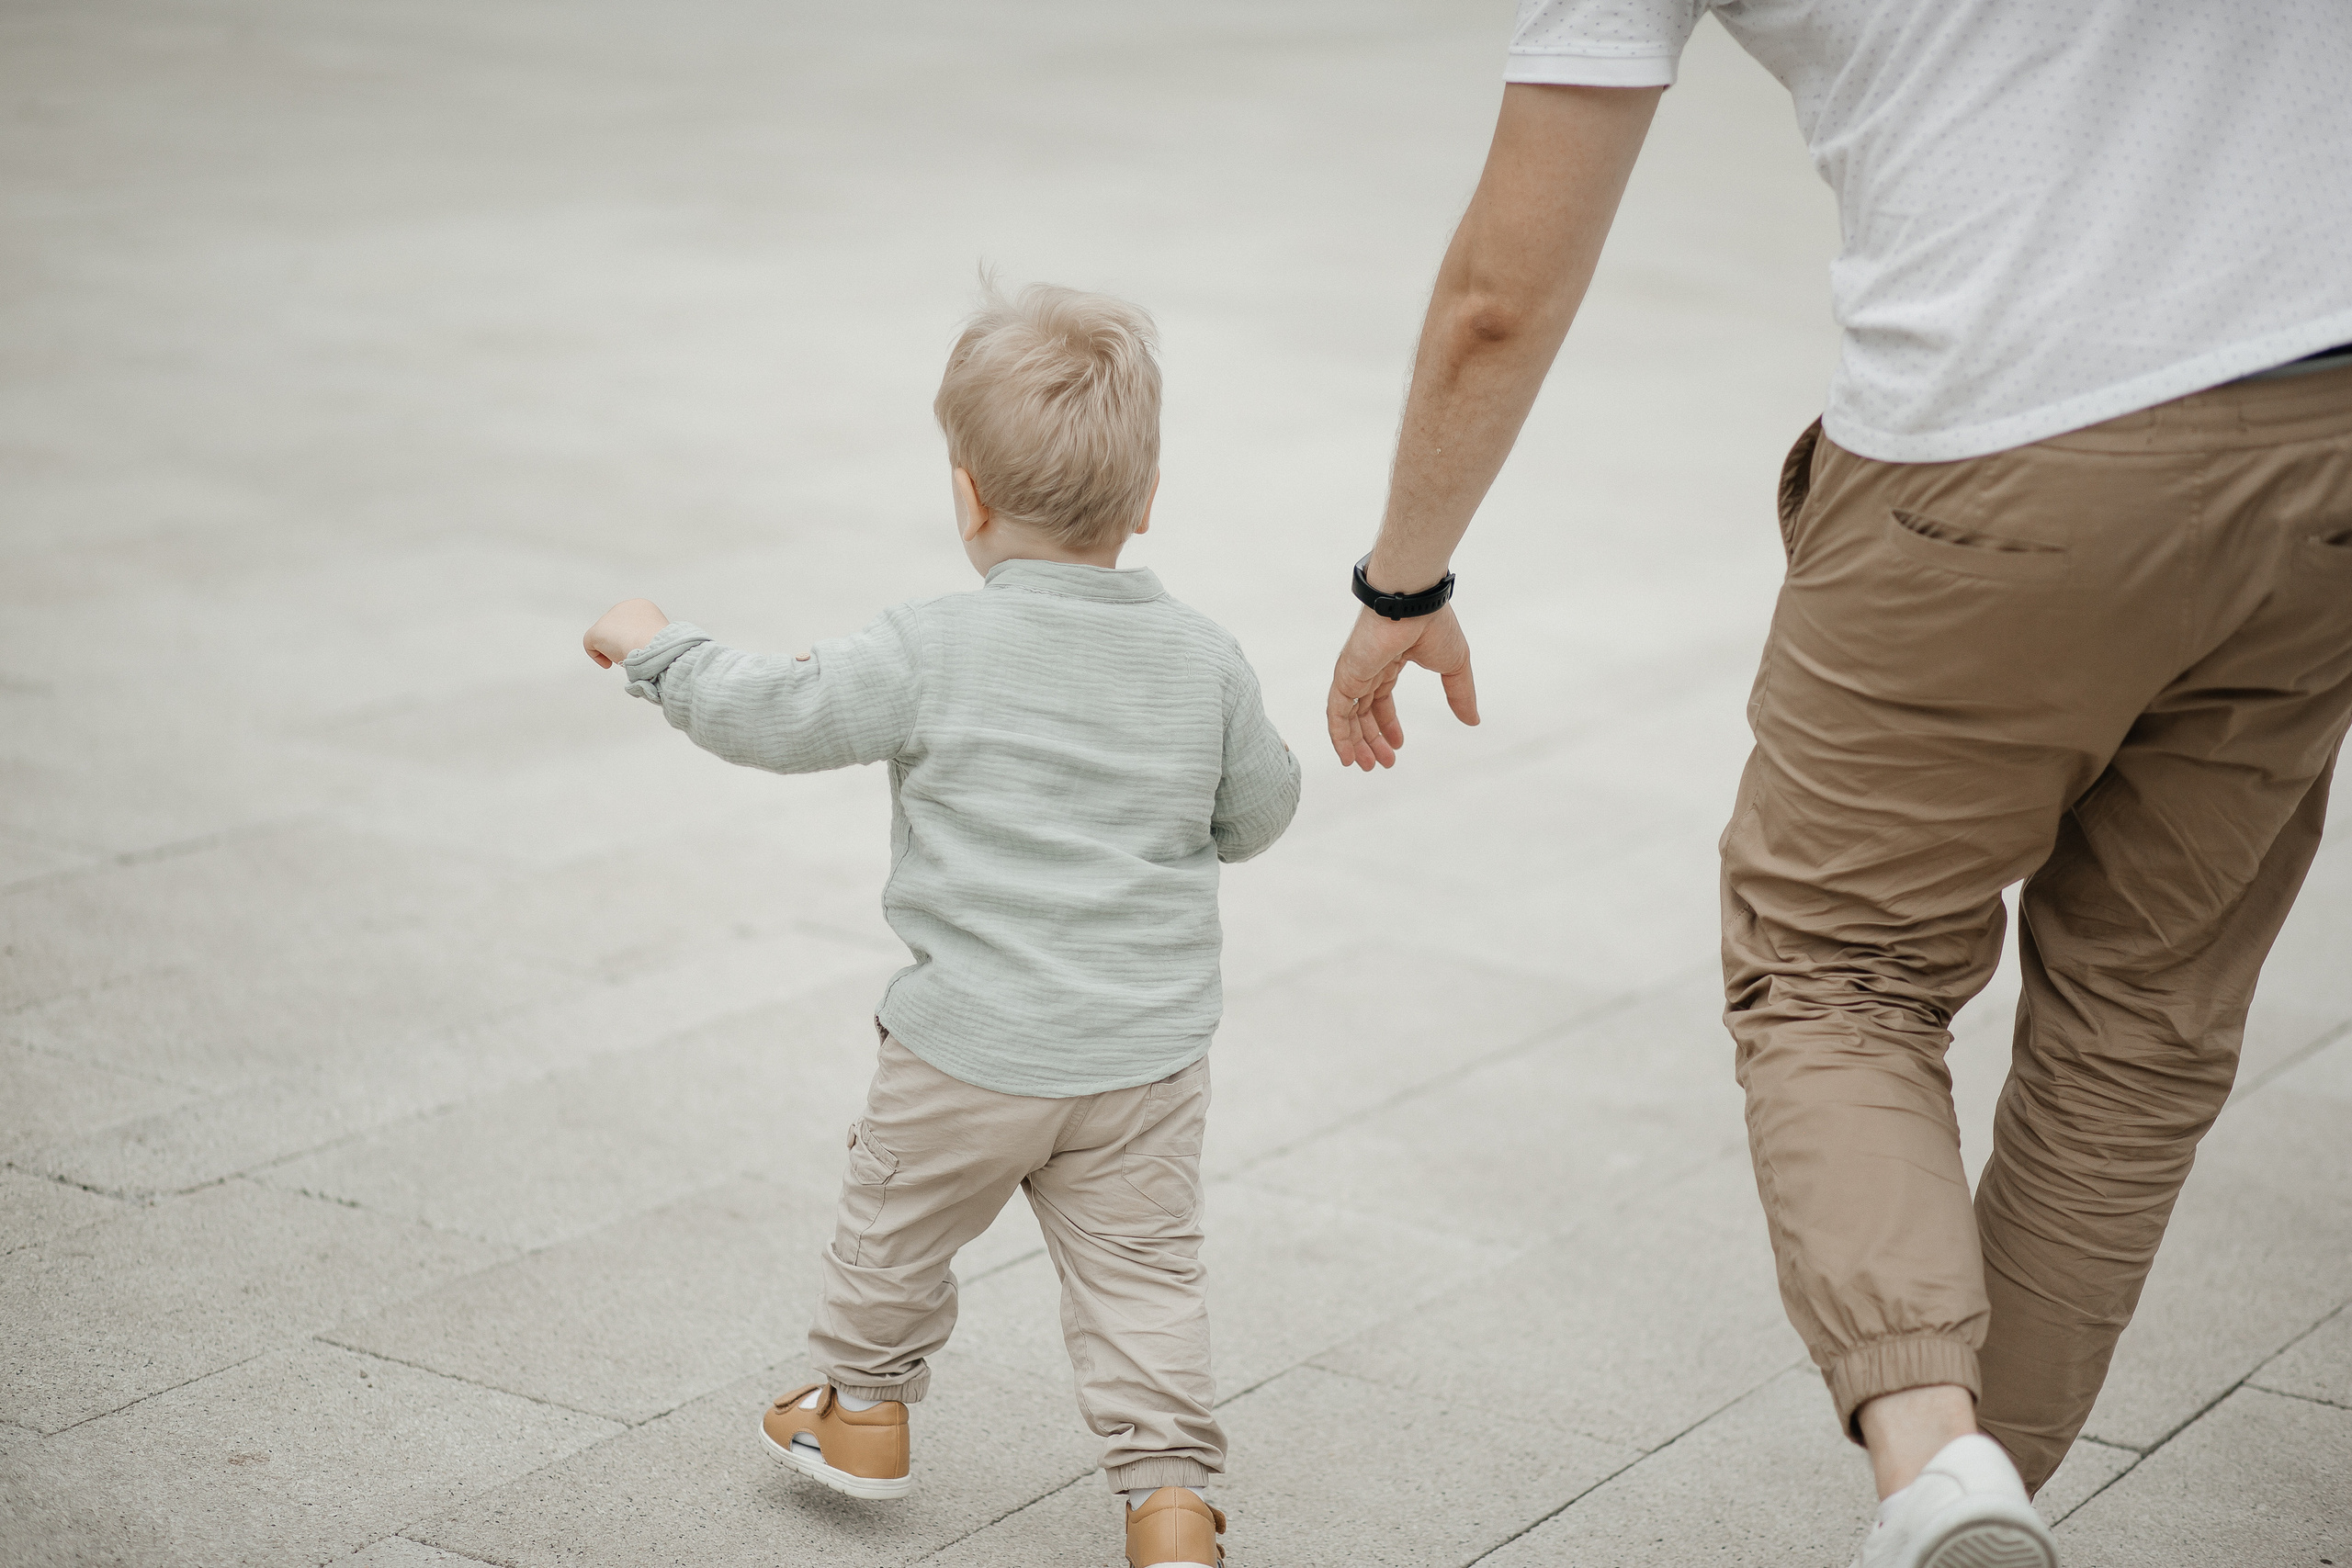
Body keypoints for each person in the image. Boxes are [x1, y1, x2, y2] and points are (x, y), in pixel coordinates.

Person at [1322, 5, 2352, 1565]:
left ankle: (1941, 1473)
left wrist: (1401, 589)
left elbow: (1495, 300)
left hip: (2001, 441)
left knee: (1836, 969)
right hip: (2329, 442)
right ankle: (1978, 1506)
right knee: (2145, 1025)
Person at [584, 281, 1300, 1568]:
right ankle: (1173, 1504)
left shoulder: (930, 646)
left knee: (896, 1231)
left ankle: (861, 1416)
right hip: (1141, 1061)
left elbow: (771, 716)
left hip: (964, 1051)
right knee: (1144, 1283)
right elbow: (1258, 816)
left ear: (966, 495)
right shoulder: (1205, 659)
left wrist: (658, 648)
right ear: (1144, 502)